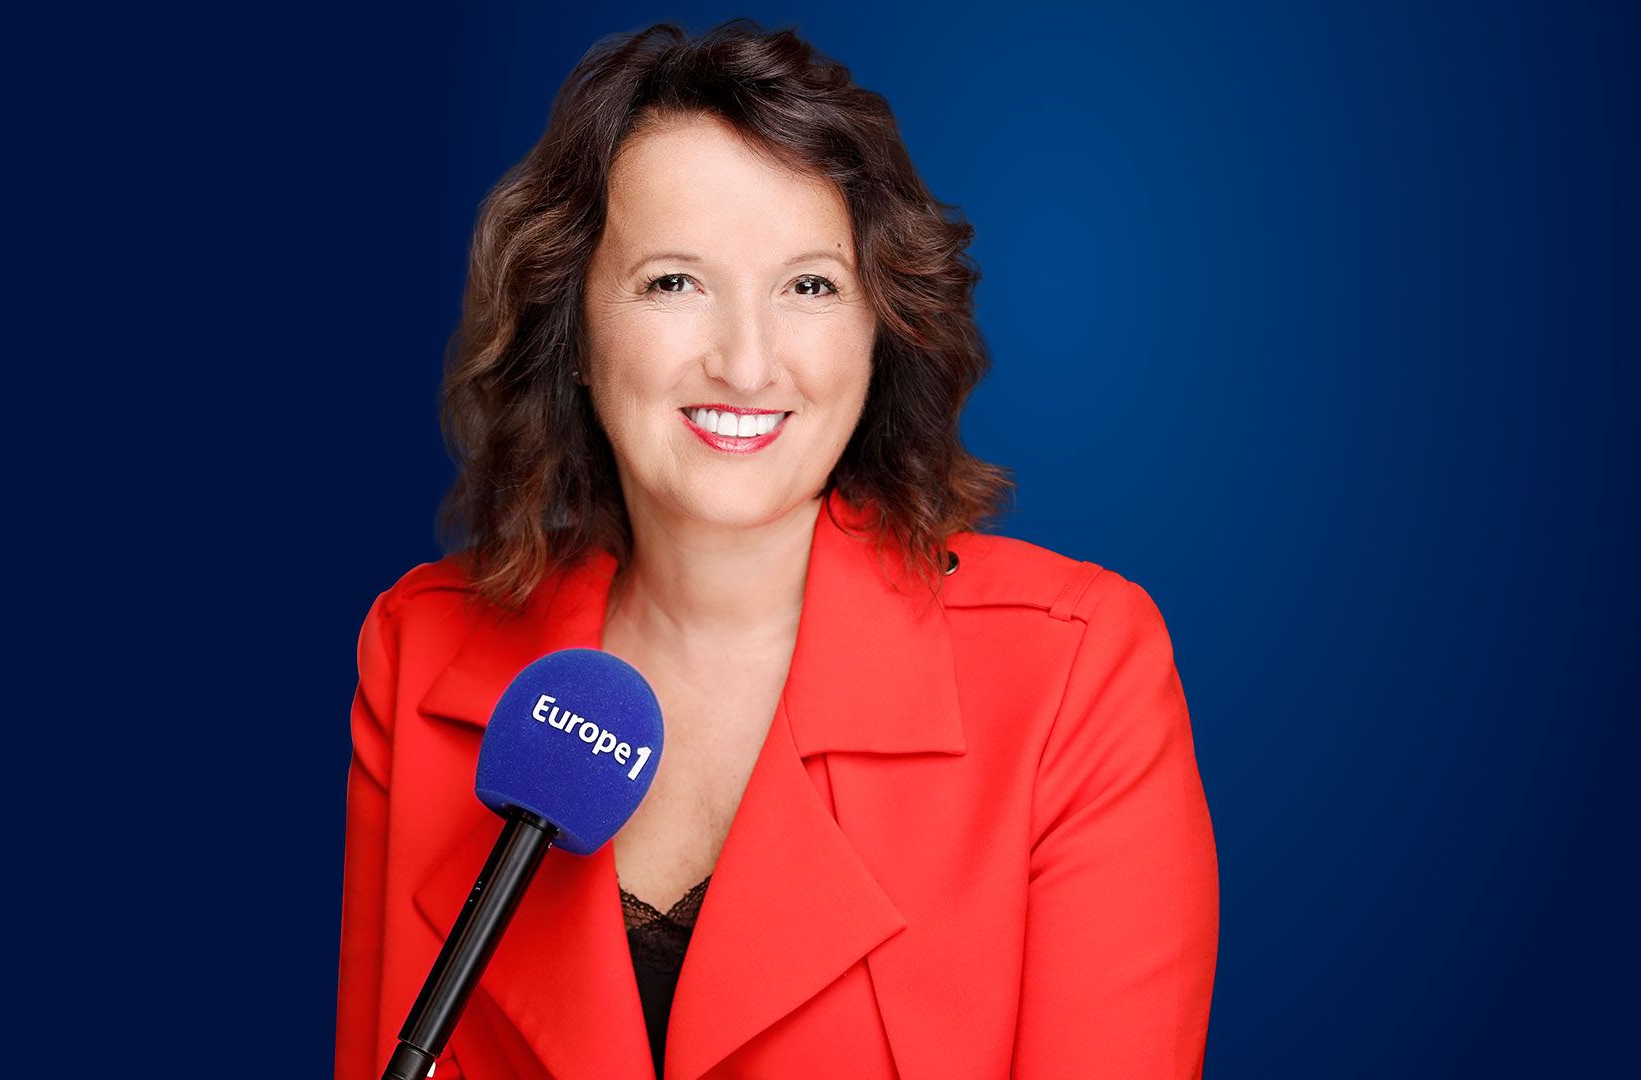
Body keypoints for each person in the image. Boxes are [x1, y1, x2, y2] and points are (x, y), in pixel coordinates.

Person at [336, 18, 1219, 1080]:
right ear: (573, 329)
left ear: (881, 326)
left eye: (810, 286)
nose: (748, 364)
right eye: (674, 282)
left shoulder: (1076, 673)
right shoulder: (422, 653)